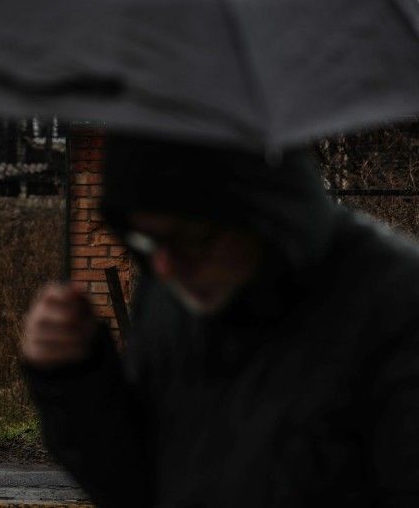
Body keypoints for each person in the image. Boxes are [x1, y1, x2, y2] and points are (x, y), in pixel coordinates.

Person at [21, 134, 419, 508]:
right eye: (147, 240)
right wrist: (76, 379)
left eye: (194, 239)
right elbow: (141, 486)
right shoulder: (172, 296)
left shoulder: (393, 306)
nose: (166, 266)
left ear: (262, 211)